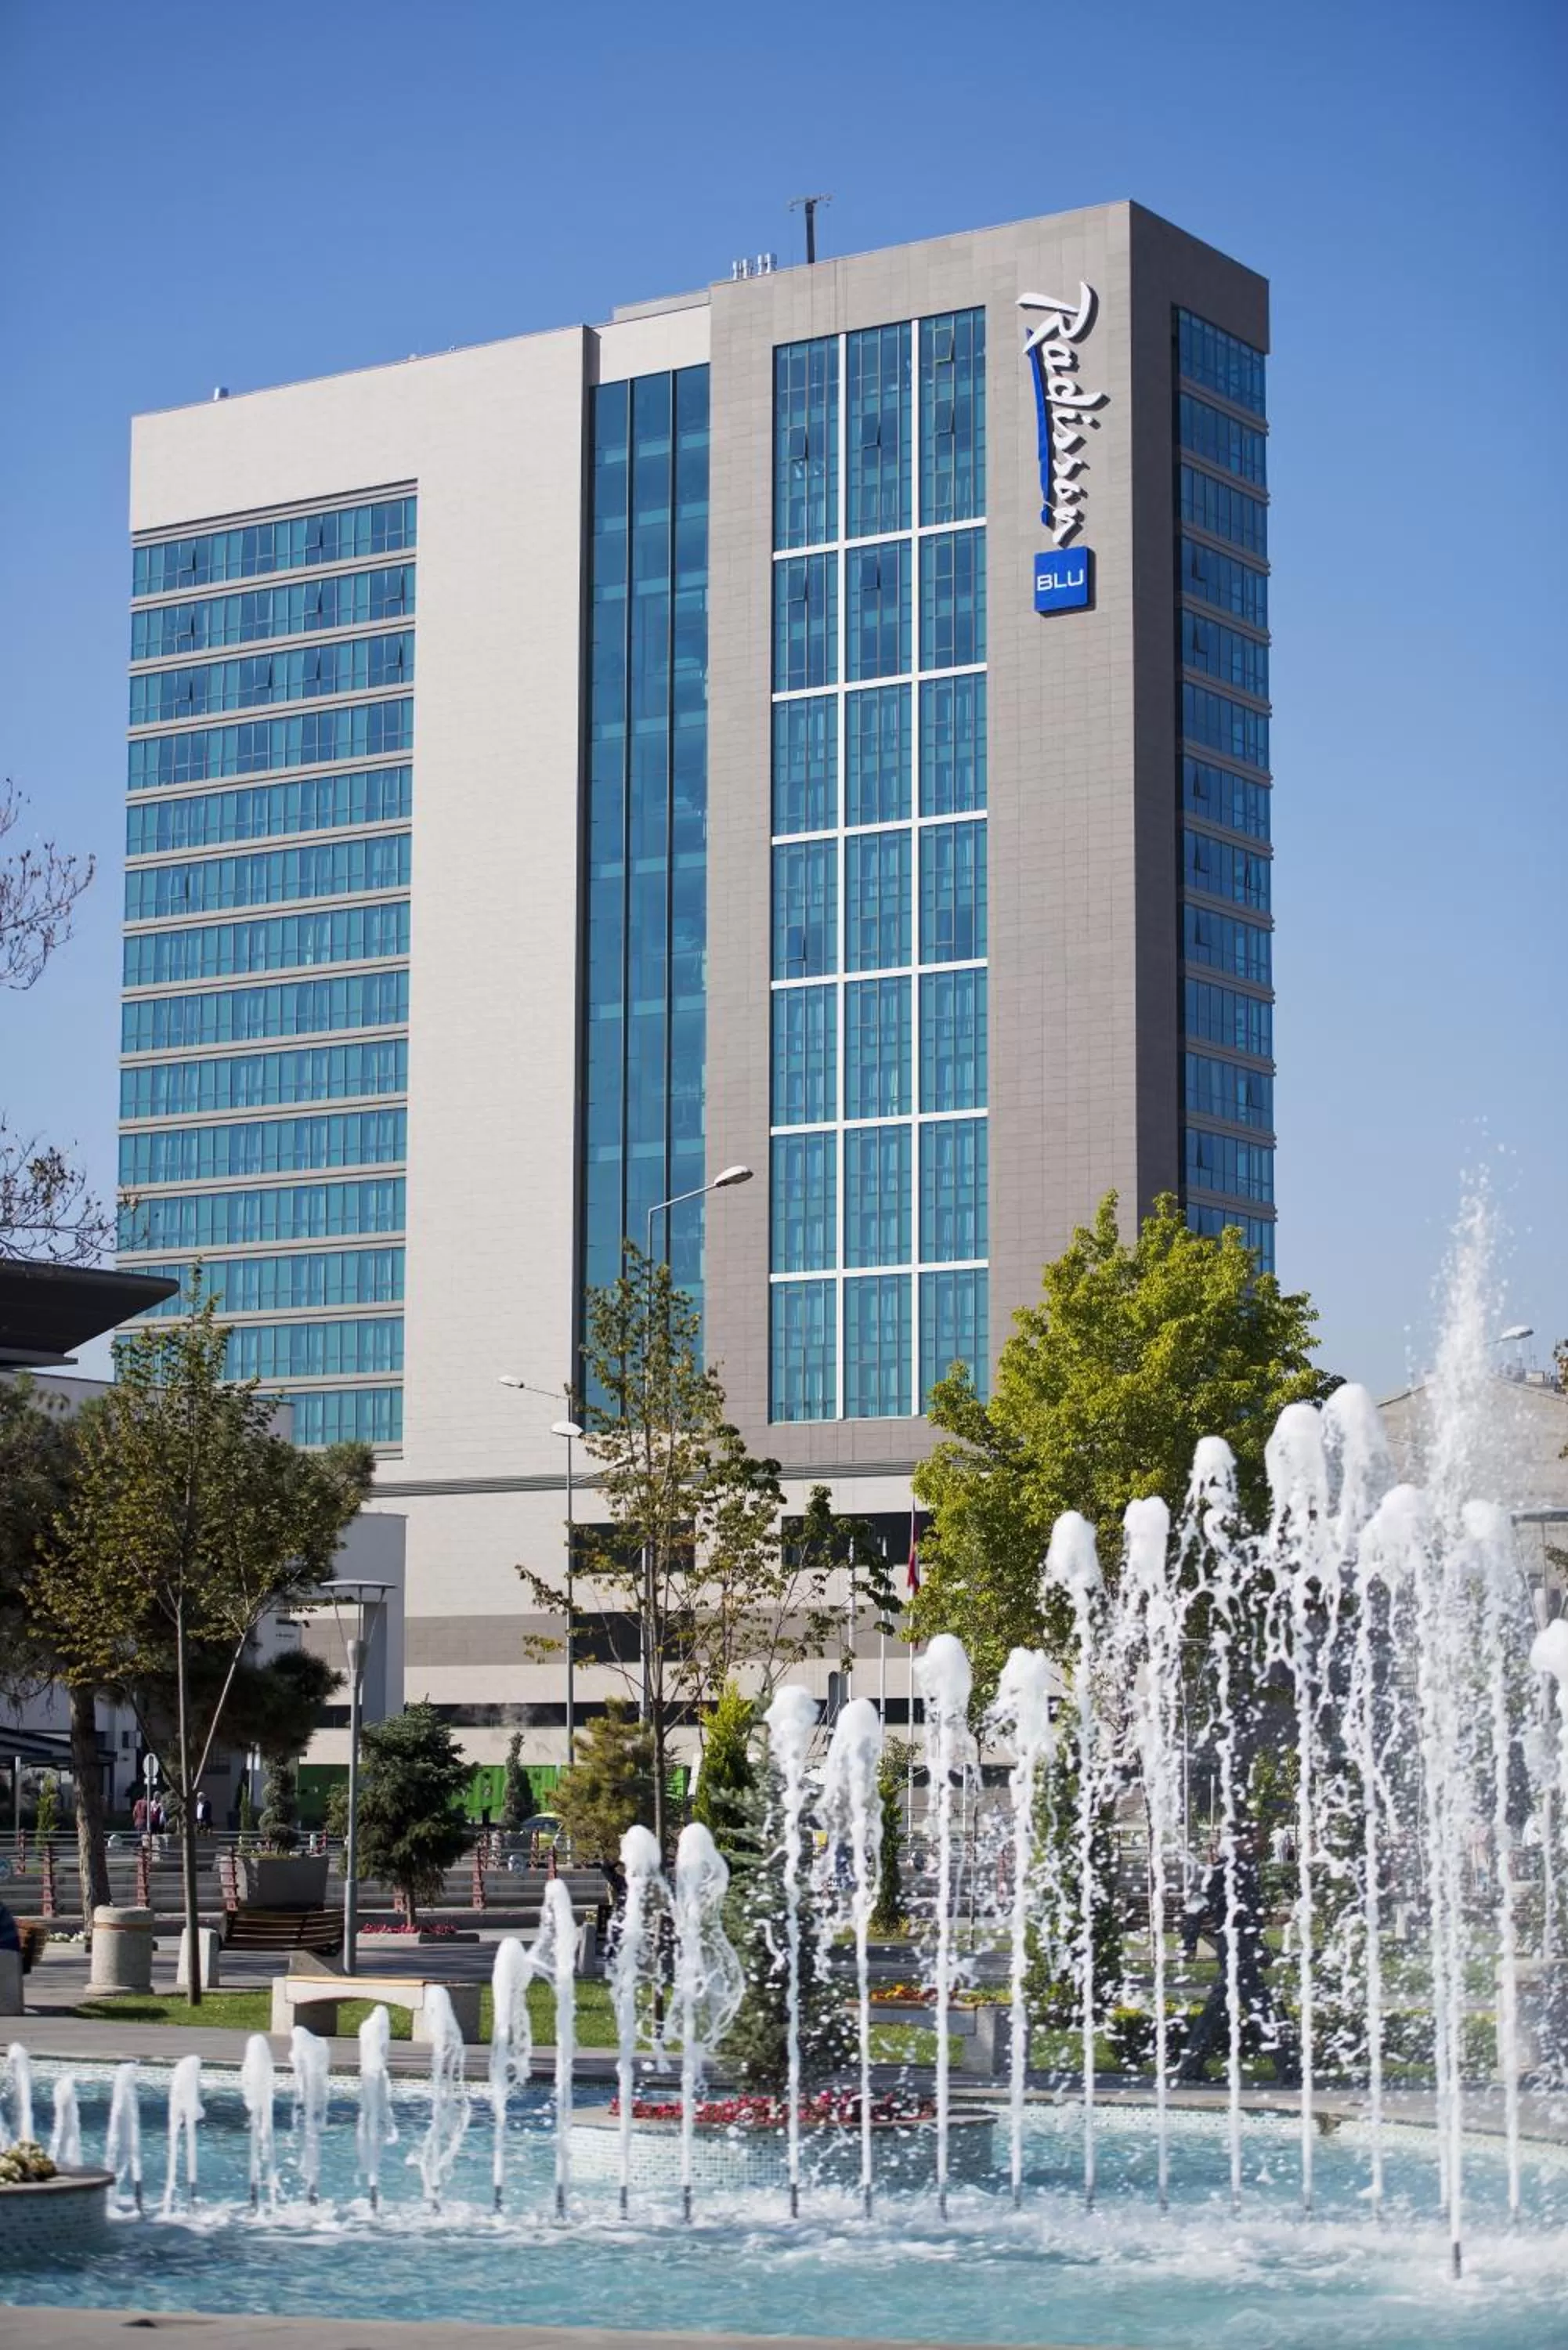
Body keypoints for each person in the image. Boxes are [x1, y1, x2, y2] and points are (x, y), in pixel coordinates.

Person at [1176, 1828, 1300, 2087]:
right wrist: (1188, 1944)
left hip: (1244, 1946)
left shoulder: (1247, 1869)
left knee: (1216, 2010)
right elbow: (1198, 1907)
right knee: (1261, 2006)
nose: (1258, 1841)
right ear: (1238, 1841)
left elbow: (1250, 1917)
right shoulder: (1222, 1871)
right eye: (1252, 1838)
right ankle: (1289, 2069)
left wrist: (1260, 1949)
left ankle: (1191, 2066)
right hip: (1232, 1946)